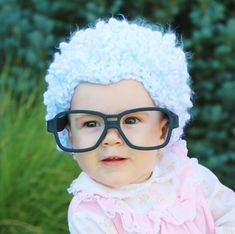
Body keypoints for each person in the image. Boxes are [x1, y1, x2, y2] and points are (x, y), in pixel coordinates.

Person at [44, 17, 235, 234]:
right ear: (70, 136)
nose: (111, 138)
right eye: (90, 123)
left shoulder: (188, 177)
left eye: (131, 120)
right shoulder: (90, 213)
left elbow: (230, 215)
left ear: (162, 132)